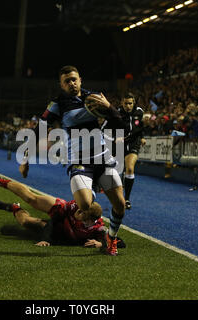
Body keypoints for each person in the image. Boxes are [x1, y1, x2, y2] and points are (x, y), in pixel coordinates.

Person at [18, 65, 127, 256]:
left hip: (103, 159)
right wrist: (25, 158)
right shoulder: (57, 104)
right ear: (61, 85)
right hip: (80, 161)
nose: (72, 83)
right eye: (67, 81)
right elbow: (40, 129)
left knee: (120, 205)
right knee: (85, 204)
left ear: (80, 80)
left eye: (74, 79)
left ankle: (110, 238)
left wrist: (109, 106)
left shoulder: (93, 98)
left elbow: (120, 123)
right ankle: (91, 186)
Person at [0, 175, 126, 249]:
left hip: (60, 235)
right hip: (57, 217)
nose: (78, 211)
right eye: (80, 209)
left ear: (88, 220)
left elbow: (120, 242)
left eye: (81, 213)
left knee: (25, 222)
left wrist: (100, 244)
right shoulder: (71, 207)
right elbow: (53, 222)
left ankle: (14, 208)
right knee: (31, 199)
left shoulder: (98, 227)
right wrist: (45, 239)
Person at [101, 93, 146, 210]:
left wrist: (142, 137)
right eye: (126, 103)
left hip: (133, 143)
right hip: (119, 144)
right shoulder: (115, 113)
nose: (128, 106)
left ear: (134, 102)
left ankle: (127, 199)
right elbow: (103, 129)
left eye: (130, 103)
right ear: (122, 102)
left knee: (130, 168)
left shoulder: (139, 112)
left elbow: (140, 126)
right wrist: (114, 138)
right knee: (118, 171)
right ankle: (117, 196)